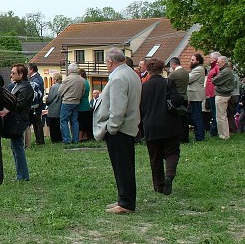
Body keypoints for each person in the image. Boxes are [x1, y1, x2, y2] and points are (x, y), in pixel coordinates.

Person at [93, 47, 141, 214]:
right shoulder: (130, 73)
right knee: (125, 166)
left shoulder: (118, 77)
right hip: (128, 127)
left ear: (110, 62)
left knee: (122, 167)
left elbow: (118, 108)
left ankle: (126, 203)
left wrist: (112, 128)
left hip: (120, 129)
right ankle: (124, 198)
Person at [140, 59, 184, 195]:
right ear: (162, 69)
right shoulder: (168, 83)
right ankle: (169, 175)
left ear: (148, 70)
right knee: (172, 152)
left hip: (150, 125)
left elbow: (139, 107)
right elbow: (177, 100)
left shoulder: (143, 87)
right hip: (169, 123)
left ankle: (158, 186)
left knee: (155, 157)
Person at [1, 63, 32, 181]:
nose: (11, 75)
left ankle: (22, 175)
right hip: (16, 119)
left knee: (18, 147)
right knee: (15, 147)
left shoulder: (25, 87)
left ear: (21, 74)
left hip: (19, 120)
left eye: (13, 73)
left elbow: (19, 104)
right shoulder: (18, 85)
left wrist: (7, 110)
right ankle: (21, 174)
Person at [58, 63, 85, 144]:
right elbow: (83, 92)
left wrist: (63, 96)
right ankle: (76, 139)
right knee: (74, 121)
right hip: (77, 102)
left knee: (64, 121)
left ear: (69, 70)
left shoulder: (68, 79)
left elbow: (60, 91)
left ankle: (67, 139)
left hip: (67, 102)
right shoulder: (81, 80)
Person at [212, 56, 235, 140]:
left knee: (221, 116)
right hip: (224, 95)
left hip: (222, 95)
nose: (217, 63)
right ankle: (224, 134)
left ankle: (224, 136)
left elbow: (214, 80)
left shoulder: (225, 71)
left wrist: (215, 82)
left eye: (218, 62)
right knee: (222, 115)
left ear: (223, 62)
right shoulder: (227, 70)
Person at [168, 56, 190, 143]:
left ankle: (179, 137)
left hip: (177, 98)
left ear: (173, 64)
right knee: (184, 119)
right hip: (185, 96)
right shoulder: (186, 72)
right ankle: (185, 136)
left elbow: (167, 82)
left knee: (177, 119)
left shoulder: (174, 74)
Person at [188, 53, 206, 141]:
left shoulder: (198, 69)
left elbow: (189, 78)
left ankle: (199, 136)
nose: (191, 62)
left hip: (196, 96)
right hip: (194, 95)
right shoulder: (197, 69)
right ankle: (199, 134)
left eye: (193, 60)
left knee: (197, 116)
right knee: (196, 116)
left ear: (198, 61)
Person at [28, 63, 45, 145]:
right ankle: (39, 139)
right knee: (36, 121)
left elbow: (35, 93)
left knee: (37, 122)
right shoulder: (38, 77)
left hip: (36, 104)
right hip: (39, 103)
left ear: (31, 70)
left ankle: (40, 140)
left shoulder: (35, 79)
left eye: (28, 69)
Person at [205, 52, 221, 136]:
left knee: (215, 113)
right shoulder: (214, 67)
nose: (209, 59)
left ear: (215, 59)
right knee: (213, 112)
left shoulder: (216, 68)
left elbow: (218, 79)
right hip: (211, 93)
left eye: (210, 58)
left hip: (214, 93)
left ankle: (214, 131)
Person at [45, 73, 63, 143]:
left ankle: (54, 140)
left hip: (53, 109)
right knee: (59, 125)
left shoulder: (54, 87)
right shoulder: (62, 86)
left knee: (53, 126)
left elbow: (50, 98)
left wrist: (46, 102)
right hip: (61, 108)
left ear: (55, 79)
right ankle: (60, 138)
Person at [77, 68, 92, 141]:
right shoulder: (87, 82)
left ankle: (79, 137)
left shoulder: (82, 82)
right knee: (86, 121)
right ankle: (85, 136)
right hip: (86, 103)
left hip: (81, 104)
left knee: (81, 121)